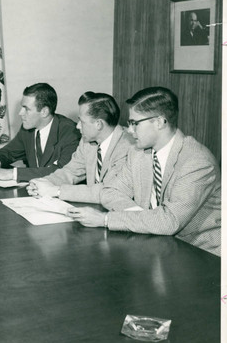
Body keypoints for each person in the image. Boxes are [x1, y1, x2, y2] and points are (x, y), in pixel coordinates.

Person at [66, 87, 220, 257]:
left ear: (160, 122)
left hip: (199, 253)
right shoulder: (139, 153)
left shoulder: (197, 162)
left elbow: (169, 221)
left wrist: (106, 219)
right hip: (154, 243)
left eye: (135, 123)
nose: (129, 130)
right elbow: (110, 191)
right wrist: (142, 217)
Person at [26, 91, 134, 203]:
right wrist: (43, 183)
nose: (77, 126)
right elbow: (70, 172)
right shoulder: (87, 142)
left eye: (81, 121)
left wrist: (57, 191)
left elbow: (108, 189)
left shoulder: (128, 146)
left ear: (99, 124)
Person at [0, 83, 80, 183]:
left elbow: (61, 172)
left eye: (26, 109)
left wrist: (12, 174)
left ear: (44, 111)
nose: (20, 113)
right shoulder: (28, 129)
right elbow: (8, 152)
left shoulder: (71, 133)